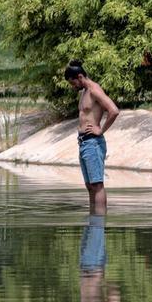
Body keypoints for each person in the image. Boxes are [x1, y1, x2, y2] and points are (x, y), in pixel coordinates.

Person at [64, 59, 119, 214]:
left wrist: (100, 131)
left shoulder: (95, 90)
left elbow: (113, 110)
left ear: (80, 77)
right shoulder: (84, 92)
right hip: (83, 143)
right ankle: (93, 220)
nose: (73, 86)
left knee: (97, 185)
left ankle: (99, 224)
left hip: (93, 143)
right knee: (90, 186)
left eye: (73, 83)